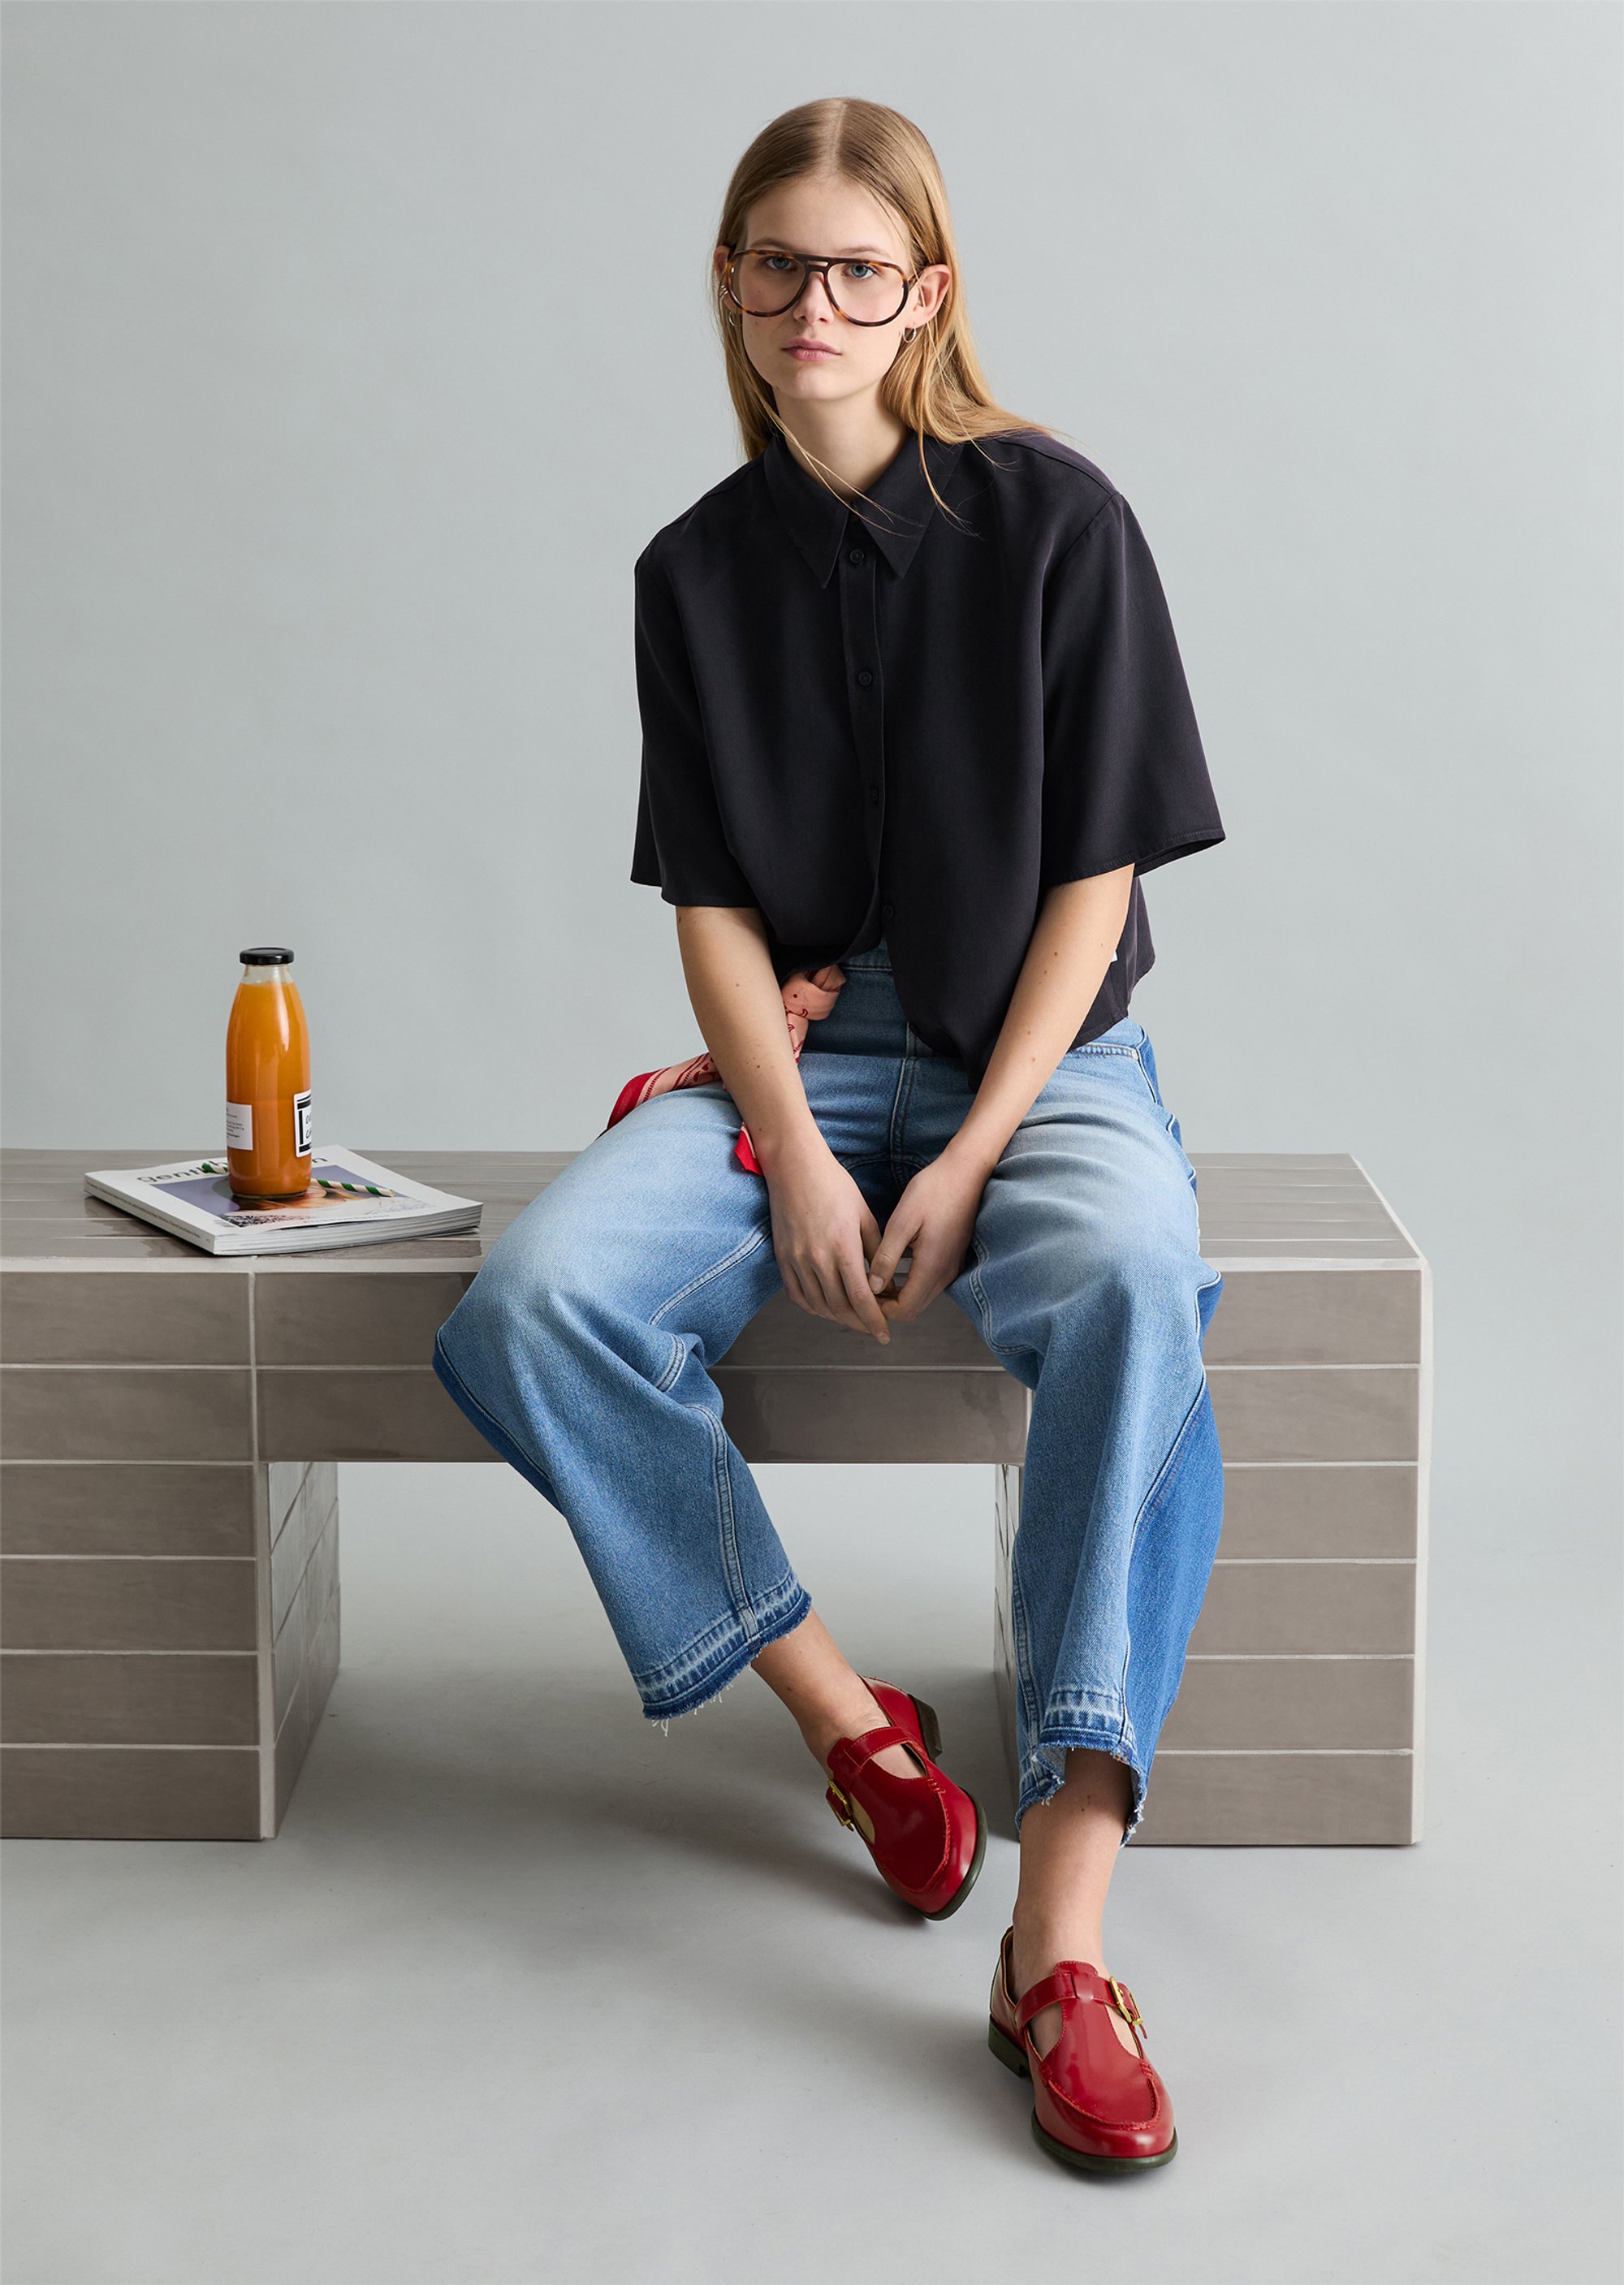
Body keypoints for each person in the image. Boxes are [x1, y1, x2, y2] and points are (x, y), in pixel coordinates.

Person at [432, 96, 1228, 2175]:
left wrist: (966, 1159)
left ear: (925, 294)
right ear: (728, 282)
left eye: (858, 270)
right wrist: (789, 1140)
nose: (816, 303)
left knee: (1133, 1281)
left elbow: (1097, 885)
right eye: (778, 264)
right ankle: (857, 1731)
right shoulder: (690, 573)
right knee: (531, 1305)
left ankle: (1060, 1940)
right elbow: (709, 903)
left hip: (1040, 1060)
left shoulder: (1060, 523)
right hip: (793, 1062)